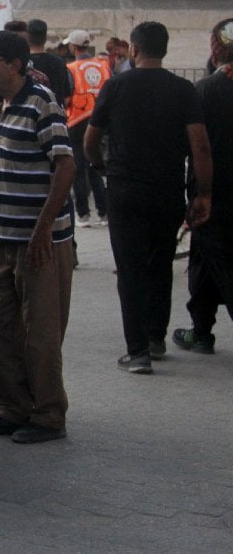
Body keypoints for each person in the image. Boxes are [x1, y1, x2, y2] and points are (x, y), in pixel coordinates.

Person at [84, 21, 213, 374]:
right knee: (160, 262)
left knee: (130, 268)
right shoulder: (183, 90)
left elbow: (90, 140)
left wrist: (100, 166)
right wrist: (204, 193)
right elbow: (199, 145)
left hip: (124, 189)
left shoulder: (116, 85)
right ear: (165, 50)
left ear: (134, 49)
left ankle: (137, 351)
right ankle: (155, 337)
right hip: (166, 189)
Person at [0, 31, 75, 444]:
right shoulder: (2, 104)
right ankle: (12, 408)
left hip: (39, 242)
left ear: (14, 65)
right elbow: (17, 151)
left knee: (41, 332)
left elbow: (65, 167)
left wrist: (43, 228)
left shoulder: (41, 101)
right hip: (2, 235)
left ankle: (49, 415)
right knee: (1, 327)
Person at [173, 19, 233, 354]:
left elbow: (199, 146)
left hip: (216, 193)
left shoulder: (209, 89)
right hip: (216, 194)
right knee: (204, 260)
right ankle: (201, 329)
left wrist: (202, 193)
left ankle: (201, 329)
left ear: (215, 47)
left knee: (219, 259)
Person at [65, 29, 110, 226]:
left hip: (77, 120)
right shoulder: (103, 66)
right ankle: (104, 212)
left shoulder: (72, 68)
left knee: (78, 169)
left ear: (74, 47)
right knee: (96, 166)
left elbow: (67, 95)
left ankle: (83, 214)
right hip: (100, 119)